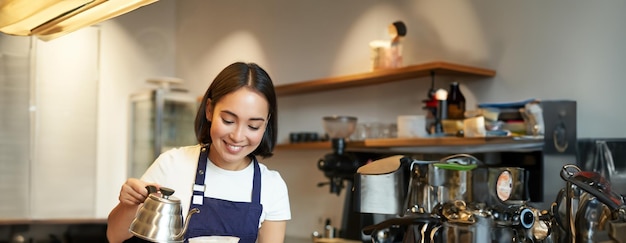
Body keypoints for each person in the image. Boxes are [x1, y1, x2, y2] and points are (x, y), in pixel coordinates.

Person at [106, 62, 291, 243]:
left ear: (266, 123)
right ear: (209, 110)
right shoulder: (172, 165)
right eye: (228, 120)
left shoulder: (272, 186)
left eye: (253, 126)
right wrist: (128, 205)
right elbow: (115, 236)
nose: (238, 136)